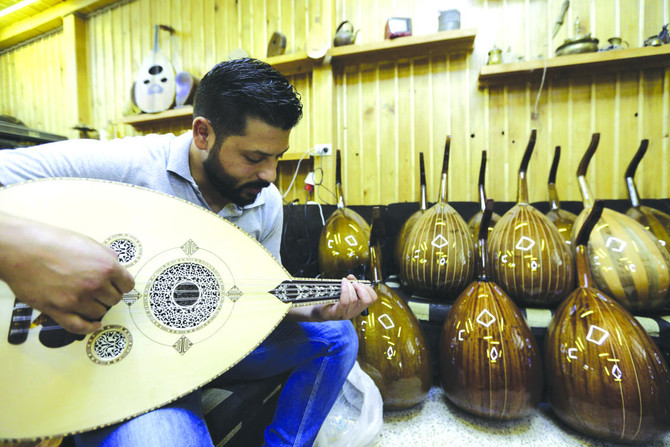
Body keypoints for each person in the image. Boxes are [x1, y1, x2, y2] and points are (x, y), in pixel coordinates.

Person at [0, 58, 377, 446]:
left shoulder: (264, 202)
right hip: (125, 361)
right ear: (203, 134)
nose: (270, 176)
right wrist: (28, 249)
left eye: (277, 157)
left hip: (213, 344)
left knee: (337, 335)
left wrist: (318, 309)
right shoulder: (127, 165)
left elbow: (268, 292)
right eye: (254, 158)